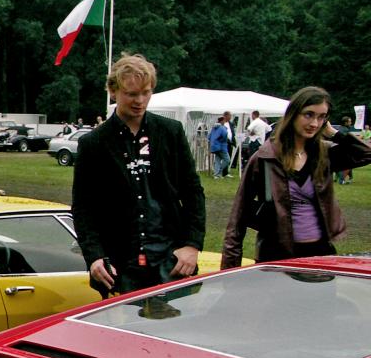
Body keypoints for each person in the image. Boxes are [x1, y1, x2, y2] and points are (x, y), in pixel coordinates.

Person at [71, 53, 205, 296]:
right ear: (113, 91)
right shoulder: (94, 143)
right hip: (120, 267)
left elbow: (193, 192)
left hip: (171, 259)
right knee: (124, 333)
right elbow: (83, 208)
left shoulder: (169, 132)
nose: (140, 100)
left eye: (146, 93)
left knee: (173, 331)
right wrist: (94, 257)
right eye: (132, 94)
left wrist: (192, 245)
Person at [221, 87, 371, 268]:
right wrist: (230, 267)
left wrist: (335, 133)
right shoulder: (266, 157)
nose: (315, 123)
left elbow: (366, 154)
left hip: (320, 254)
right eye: (308, 115)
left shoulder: (324, 153)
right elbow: (238, 215)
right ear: (293, 114)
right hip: (276, 255)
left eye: (322, 116)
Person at [208, 113, 231, 178]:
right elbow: (225, 136)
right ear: (222, 121)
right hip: (221, 146)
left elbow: (209, 136)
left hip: (214, 147)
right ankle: (219, 171)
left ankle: (216, 175)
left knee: (218, 160)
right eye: (224, 120)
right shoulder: (222, 128)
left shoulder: (213, 128)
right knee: (227, 160)